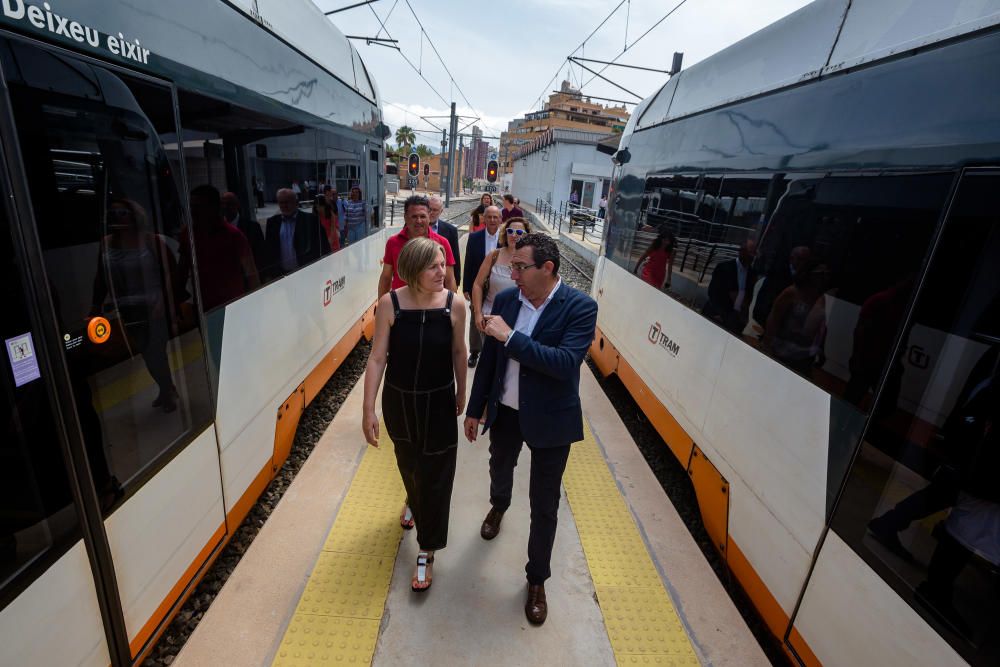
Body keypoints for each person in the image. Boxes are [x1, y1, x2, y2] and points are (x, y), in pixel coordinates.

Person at [464, 232, 598, 626]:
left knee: (545, 505)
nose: (513, 274)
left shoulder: (580, 307)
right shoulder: (507, 300)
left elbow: (563, 363)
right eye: (513, 266)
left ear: (548, 269)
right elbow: (490, 359)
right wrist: (475, 408)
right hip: (505, 412)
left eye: (521, 267)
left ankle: (536, 579)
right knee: (499, 465)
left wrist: (512, 336)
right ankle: (499, 505)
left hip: (552, 420)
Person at [363, 237, 468, 592]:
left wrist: (462, 390)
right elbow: (377, 358)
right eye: (433, 266)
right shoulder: (389, 305)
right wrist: (368, 410)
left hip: (438, 402)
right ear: (412, 270)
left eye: (443, 264)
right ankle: (413, 498)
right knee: (409, 464)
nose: (443, 272)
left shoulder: (455, 306)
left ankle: (427, 549)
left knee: (438, 473)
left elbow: (458, 351)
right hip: (400, 402)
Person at [91, 198, 179, 412]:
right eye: (113, 214)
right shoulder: (106, 243)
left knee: (154, 352)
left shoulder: (150, 241)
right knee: (145, 351)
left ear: (134, 215)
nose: (117, 218)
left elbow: (170, 270)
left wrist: (164, 300)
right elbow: (101, 278)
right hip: (128, 309)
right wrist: (95, 306)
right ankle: (166, 387)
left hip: (154, 306)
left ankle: (167, 390)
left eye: (122, 213)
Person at [180, 185, 260, 311]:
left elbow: (251, 274)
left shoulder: (234, 236)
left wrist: (254, 305)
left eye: (199, 207)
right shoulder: (187, 234)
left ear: (214, 207)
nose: (193, 211)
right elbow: (182, 272)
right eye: (192, 206)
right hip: (203, 308)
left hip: (233, 305)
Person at [379, 195, 457, 299]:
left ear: (429, 216)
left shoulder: (442, 243)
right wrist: (382, 306)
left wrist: (452, 306)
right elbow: (386, 278)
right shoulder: (393, 242)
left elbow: (450, 279)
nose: (419, 221)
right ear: (405, 217)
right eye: (414, 216)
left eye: (423, 216)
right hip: (401, 306)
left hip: (434, 307)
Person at [762, 261, 829, 376]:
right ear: (809, 273)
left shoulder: (820, 297)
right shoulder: (791, 292)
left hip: (805, 355)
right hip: (782, 352)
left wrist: (821, 349)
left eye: (826, 273)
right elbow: (773, 320)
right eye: (820, 273)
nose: (823, 277)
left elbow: (822, 327)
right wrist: (766, 348)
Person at [463, 206, 504, 367]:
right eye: (489, 217)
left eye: (496, 217)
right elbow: (468, 262)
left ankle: (496, 351)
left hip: (499, 284)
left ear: (500, 219)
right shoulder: (474, 238)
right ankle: (475, 351)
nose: (493, 220)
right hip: (478, 284)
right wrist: (466, 286)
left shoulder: (506, 238)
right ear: (484, 219)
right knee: (476, 317)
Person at [263, 188, 330, 281]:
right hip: (281, 276)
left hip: (307, 274)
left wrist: (323, 269)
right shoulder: (272, 222)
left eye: (287, 202)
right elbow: (269, 251)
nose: (284, 205)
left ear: (296, 202)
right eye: (281, 202)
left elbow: (324, 246)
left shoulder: (310, 220)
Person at [702, 239, 757, 335]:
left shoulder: (752, 274)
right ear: (742, 251)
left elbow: (748, 297)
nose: (752, 257)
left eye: (754, 254)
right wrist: (720, 314)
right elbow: (712, 292)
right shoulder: (724, 267)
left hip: (735, 320)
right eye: (750, 253)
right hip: (717, 315)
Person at [222, 190, 265, 270]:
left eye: (229, 204)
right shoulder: (217, 229)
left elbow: (260, 255)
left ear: (237, 205)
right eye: (223, 204)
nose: (225, 207)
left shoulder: (253, 227)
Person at [428, 196, 461, 289]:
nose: (431, 213)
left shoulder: (451, 230)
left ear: (441, 211)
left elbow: (455, 258)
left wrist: (456, 283)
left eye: (435, 210)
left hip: (441, 283)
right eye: (429, 209)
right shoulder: (415, 227)